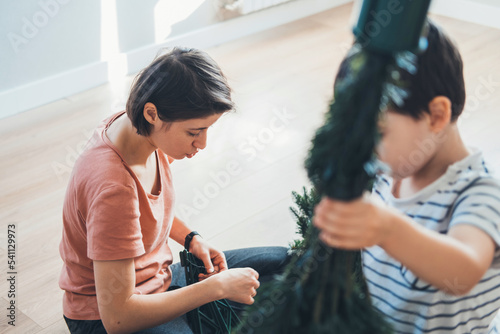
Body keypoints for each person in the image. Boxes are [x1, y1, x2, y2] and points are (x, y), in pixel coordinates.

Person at [59, 47, 289, 334]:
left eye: (207, 130)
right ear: (152, 113)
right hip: (106, 315)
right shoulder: (114, 189)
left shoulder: (135, 129)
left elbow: (147, 208)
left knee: (283, 261)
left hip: (159, 277)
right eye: (194, 132)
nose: (202, 144)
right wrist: (214, 288)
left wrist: (191, 239)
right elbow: (118, 318)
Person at [313, 21, 500, 333]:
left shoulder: (480, 192)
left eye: (377, 132)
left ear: (437, 116)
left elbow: (465, 270)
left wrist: (388, 227)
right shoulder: (388, 176)